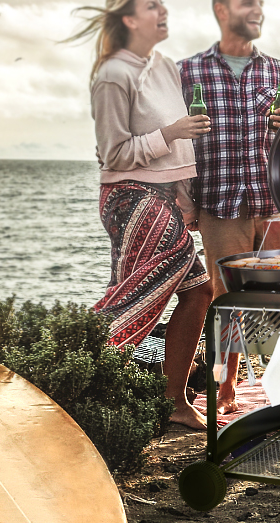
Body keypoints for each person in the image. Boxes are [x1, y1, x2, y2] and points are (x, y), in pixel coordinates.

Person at [68, 0, 214, 429]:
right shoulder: (113, 76)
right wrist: (170, 132)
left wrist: (186, 201)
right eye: (152, 6)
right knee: (134, 299)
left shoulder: (166, 66)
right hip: (130, 198)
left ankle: (173, 400)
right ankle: (75, 375)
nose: (163, 11)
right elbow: (114, 153)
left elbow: (181, 151)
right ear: (129, 19)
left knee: (198, 293)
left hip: (164, 198)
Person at [179, 0, 280, 414]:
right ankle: (223, 386)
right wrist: (184, 198)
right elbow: (179, 146)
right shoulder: (188, 72)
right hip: (218, 199)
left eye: (260, 5)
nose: (257, 10)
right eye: (248, 3)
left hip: (272, 203)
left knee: (277, 300)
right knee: (224, 300)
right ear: (221, 8)